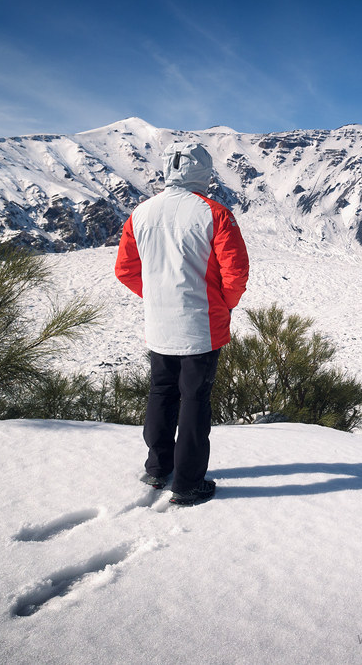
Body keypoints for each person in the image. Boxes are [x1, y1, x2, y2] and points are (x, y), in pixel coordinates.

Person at [114, 141, 249, 506]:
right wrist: (223, 306)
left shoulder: (140, 214)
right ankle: (188, 483)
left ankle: (157, 468)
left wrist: (159, 298)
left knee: (161, 392)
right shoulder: (215, 213)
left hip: (159, 324)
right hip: (201, 326)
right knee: (194, 400)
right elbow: (235, 274)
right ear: (204, 173)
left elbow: (125, 270)